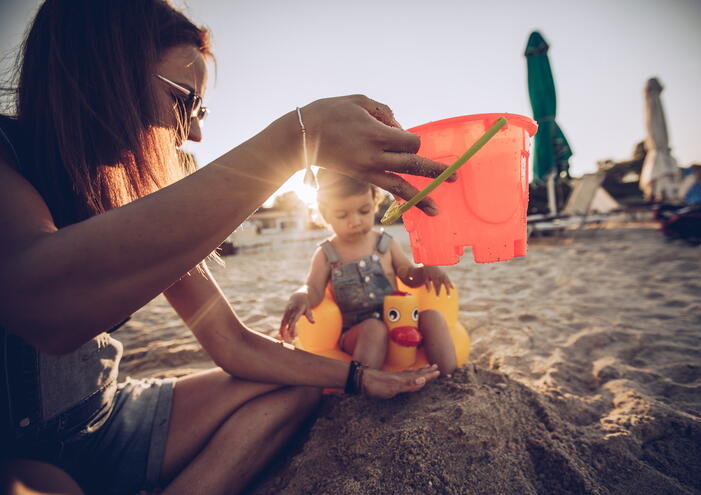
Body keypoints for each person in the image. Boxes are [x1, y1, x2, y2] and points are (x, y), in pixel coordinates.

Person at [0, 1, 454, 494]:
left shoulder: (135, 196)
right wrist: (293, 142)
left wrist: (356, 379)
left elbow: (231, 343)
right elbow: (41, 307)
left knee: (300, 389)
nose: (194, 131)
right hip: (19, 450)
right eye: (185, 102)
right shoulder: (9, 156)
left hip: (109, 420)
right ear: (105, 73)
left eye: (202, 110)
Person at [279, 170, 458, 374]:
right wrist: (301, 296)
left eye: (364, 211)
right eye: (342, 215)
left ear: (374, 203)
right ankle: (365, 385)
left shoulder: (385, 243)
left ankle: (451, 379)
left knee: (432, 317)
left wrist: (425, 270)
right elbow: (314, 290)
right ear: (325, 213)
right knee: (374, 328)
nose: (355, 221)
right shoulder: (327, 253)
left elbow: (408, 275)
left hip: (399, 321)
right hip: (358, 334)